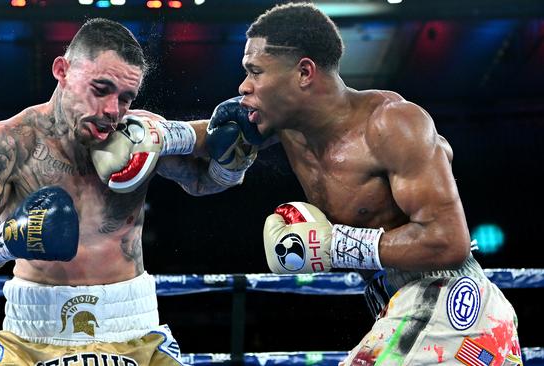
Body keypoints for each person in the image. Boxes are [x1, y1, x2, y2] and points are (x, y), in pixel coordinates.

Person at [210, 3, 522, 365]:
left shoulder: (392, 124)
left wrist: (334, 246)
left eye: (255, 71)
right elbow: (209, 137)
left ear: (304, 72)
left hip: (451, 303)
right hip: (399, 306)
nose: (243, 85)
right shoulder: (284, 126)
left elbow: (448, 241)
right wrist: (157, 135)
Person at [0, 18, 252, 365]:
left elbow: (204, 180)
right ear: (62, 71)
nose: (113, 112)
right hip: (32, 336)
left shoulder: (139, 134)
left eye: (126, 98)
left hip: (134, 329)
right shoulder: (11, 142)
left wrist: (234, 158)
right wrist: (9, 239)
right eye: (101, 89)